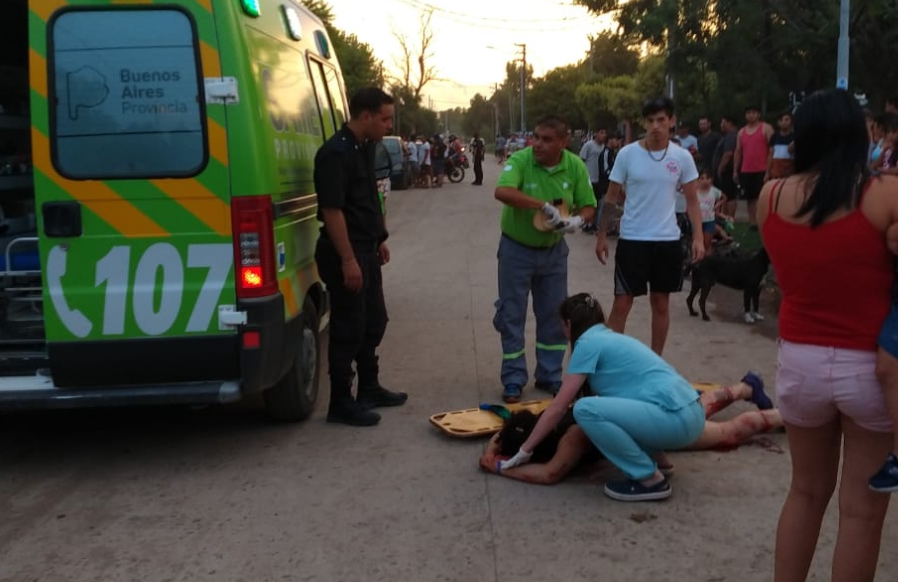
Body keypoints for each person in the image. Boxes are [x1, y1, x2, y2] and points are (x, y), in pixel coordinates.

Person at [758, 88, 897, 582]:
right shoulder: (884, 195)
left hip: (800, 363)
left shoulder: (771, 197)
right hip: (870, 370)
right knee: (861, 512)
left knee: (805, 492)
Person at [498, 294, 707, 501]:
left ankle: (649, 479)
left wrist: (524, 450)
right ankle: (659, 462)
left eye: (562, 326)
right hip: (693, 413)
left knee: (585, 409)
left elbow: (558, 407)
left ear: (569, 323)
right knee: (616, 407)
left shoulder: (588, 343)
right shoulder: (610, 337)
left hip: (676, 420)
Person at [480, 372, 780, 485]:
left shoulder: (570, 439)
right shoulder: (545, 419)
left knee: (727, 432)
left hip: (650, 426)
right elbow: (509, 427)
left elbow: (549, 474)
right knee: (697, 406)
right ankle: (744, 387)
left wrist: (500, 467)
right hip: (640, 411)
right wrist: (495, 450)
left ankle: (788, 417)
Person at [313, 87, 408, 427]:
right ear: (364, 116)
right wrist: (348, 259)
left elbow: (368, 200)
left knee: (374, 320)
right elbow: (333, 210)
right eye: (384, 118)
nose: (387, 124)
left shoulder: (364, 149)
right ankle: (341, 400)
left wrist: (379, 238)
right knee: (348, 328)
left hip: (367, 248)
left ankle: (369, 387)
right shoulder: (335, 154)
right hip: (346, 252)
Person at [493, 115, 597, 403]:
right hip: (517, 250)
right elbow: (502, 191)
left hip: (553, 253)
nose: (537, 144)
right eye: (536, 137)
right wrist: (541, 206)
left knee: (554, 316)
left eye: (546, 139)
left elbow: (589, 205)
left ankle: (549, 376)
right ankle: (513, 378)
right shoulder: (523, 160)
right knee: (511, 314)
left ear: (563, 142)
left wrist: (578, 220)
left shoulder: (574, 165)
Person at [594, 97, 705, 356]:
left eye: (661, 120)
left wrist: (699, 236)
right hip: (632, 239)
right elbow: (610, 198)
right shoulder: (627, 154)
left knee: (661, 303)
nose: (655, 126)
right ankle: (610, 362)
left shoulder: (682, 158)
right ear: (644, 122)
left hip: (666, 241)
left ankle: (655, 363)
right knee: (622, 302)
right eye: (650, 120)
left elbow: (692, 200)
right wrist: (601, 235)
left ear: (671, 121)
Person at [733, 105, 774, 228]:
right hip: (746, 169)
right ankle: (753, 222)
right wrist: (735, 170)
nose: (751, 115)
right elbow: (738, 151)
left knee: (763, 197)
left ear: (758, 114)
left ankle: (765, 220)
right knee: (750, 198)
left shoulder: (766, 128)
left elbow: (772, 150)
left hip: (762, 169)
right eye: (748, 112)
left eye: (754, 112)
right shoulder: (741, 132)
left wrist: (768, 171)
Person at [713, 115, 740, 218]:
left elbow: (728, 153)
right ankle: (725, 216)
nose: (721, 125)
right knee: (724, 195)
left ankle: (730, 218)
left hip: (727, 170)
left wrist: (720, 167)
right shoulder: (727, 136)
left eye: (723, 122)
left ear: (730, 123)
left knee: (729, 196)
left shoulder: (731, 136)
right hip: (725, 171)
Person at [696, 167, 725, 253]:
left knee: (707, 243)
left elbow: (724, 197)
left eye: (708, 178)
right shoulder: (695, 191)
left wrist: (716, 206)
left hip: (709, 220)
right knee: (698, 243)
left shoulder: (714, 191)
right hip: (697, 220)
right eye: (702, 178)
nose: (705, 181)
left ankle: (708, 261)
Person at [766, 112, 795, 180]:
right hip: (776, 172)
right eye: (781, 120)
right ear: (778, 123)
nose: (783, 122)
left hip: (790, 172)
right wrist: (767, 172)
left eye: (786, 119)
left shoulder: (795, 137)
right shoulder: (774, 136)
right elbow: (771, 154)